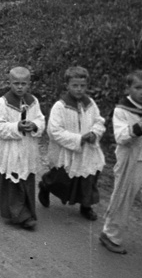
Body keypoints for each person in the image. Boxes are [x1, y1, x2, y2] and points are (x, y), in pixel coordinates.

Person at [100, 70, 142, 255]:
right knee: (123, 200)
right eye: (138, 88)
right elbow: (121, 137)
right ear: (128, 88)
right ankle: (110, 235)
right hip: (130, 164)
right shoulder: (121, 110)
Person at [39, 66, 105, 221]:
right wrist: (78, 139)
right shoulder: (60, 107)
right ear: (67, 85)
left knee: (88, 178)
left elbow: (99, 121)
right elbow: (54, 131)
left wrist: (95, 133)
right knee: (61, 179)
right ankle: (46, 185)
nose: (79, 89)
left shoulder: (90, 104)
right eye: (75, 85)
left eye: (82, 86)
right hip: (67, 151)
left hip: (88, 150)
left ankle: (86, 206)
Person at [0, 66, 45, 230]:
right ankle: (19, 215)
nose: (20, 87)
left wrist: (34, 125)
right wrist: (16, 127)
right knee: (11, 177)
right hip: (9, 148)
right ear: (9, 83)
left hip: (27, 148)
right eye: (16, 83)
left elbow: (41, 120)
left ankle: (20, 207)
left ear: (29, 84)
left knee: (25, 176)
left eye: (23, 84)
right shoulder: (3, 103)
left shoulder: (33, 102)